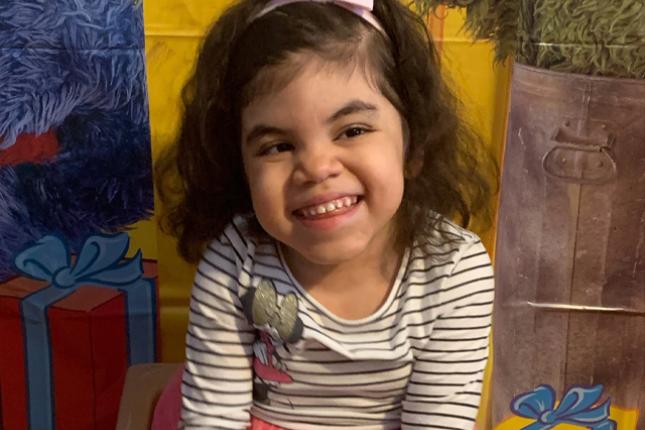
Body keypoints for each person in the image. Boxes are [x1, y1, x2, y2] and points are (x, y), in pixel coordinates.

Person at [156, 0, 498, 428]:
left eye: (352, 131)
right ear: (241, 170)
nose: (317, 168)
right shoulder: (235, 258)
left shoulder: (454, 269)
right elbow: (213, 419)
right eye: (277, 146)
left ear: (414, 148)